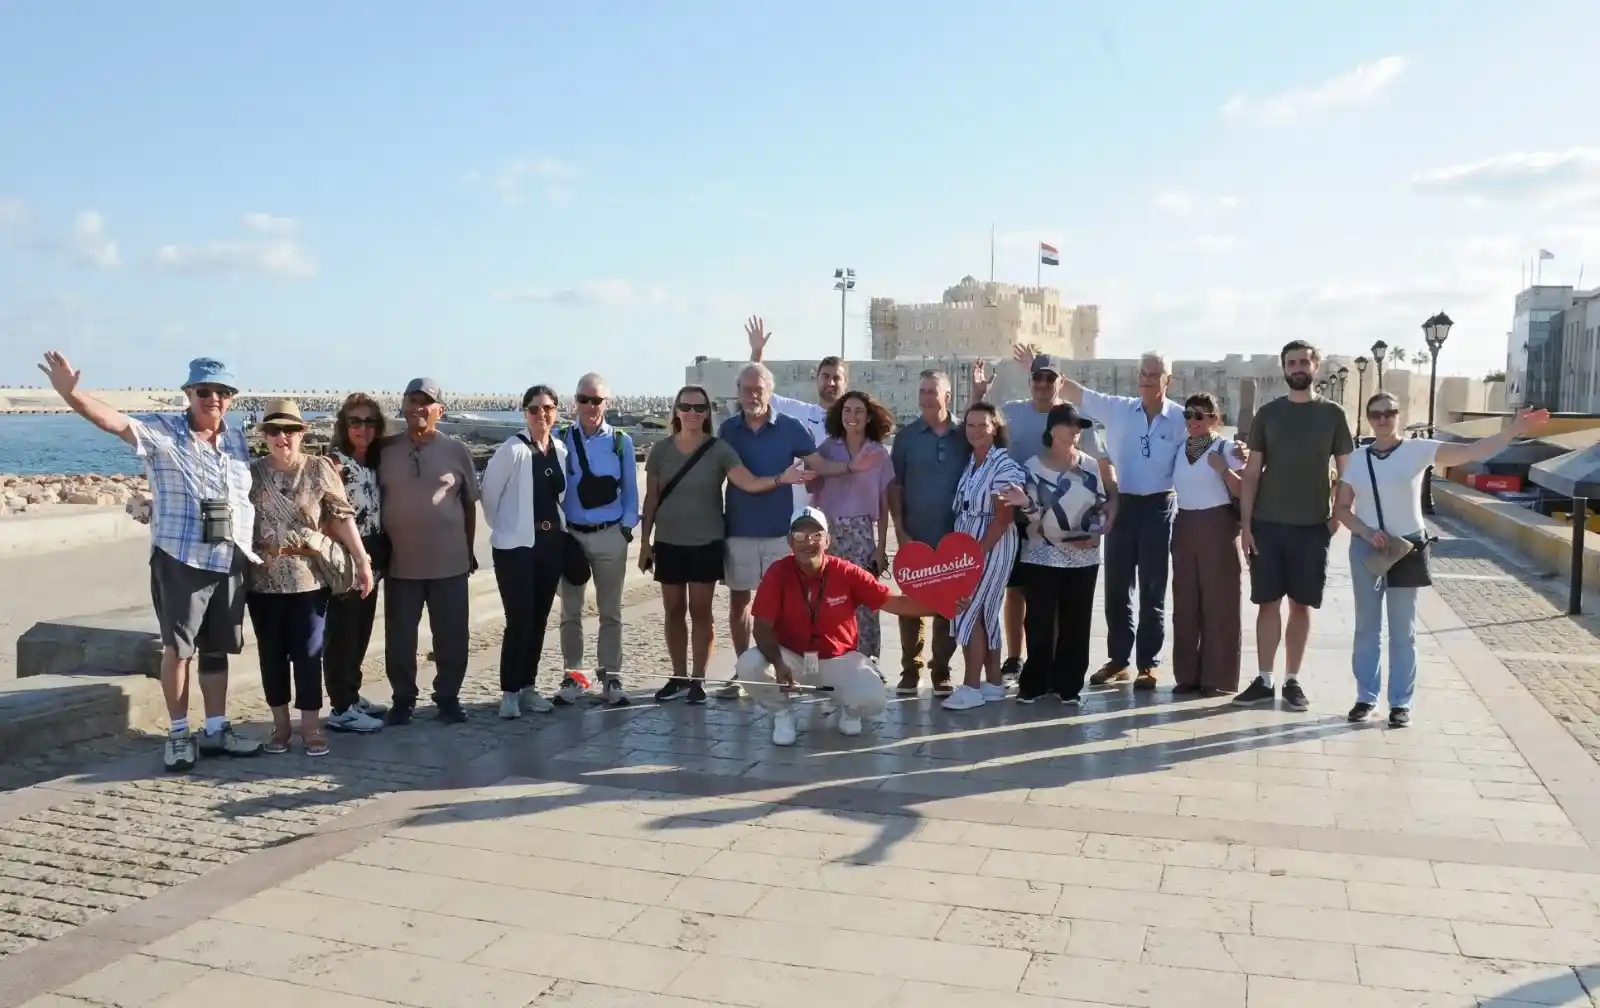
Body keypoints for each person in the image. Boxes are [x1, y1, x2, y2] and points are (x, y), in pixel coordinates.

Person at [37, 352, 265, 772]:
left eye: (222, 392)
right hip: (181, 556)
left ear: (231, 399)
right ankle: (179, 734)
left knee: (217, 649)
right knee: (178, 650)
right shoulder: (164, 432)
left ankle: (215, 728)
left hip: (229, 556)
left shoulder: (235, 439)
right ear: (189, 394)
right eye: (204, 391)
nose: (213, 398)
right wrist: (71, 394)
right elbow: (116, 423)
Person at [1336, 396, 1549, 726]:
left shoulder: (1418, 451)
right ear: (1368, 418)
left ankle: (1400, 703)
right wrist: (1365, 531)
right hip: (1368, 549)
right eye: (1375, 414)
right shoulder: (1357, 460)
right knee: (1366, 626)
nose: (1382, 419)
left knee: (1403, 629)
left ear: (1399, 416)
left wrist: (1515, 429)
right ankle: (1366, 697)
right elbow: (1341, 509)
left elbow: (1470, 453)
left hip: (1409, 547)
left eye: (1389, 413)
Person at [640, 384, 812, 703]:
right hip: (668, 541)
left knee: (701, 610)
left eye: (700, 408)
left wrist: (780, 479)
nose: (693, 413)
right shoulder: (661, 450)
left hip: (707, 540)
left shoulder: (718, 449)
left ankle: (698, 680)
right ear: (676, 411)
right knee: (674, 610)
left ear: (708, 413)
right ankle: (677, 677)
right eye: (686, 407)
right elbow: (651, 500)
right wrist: (644, 544)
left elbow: (746, 481)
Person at [715, 362, 868, 699]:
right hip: (739, 527)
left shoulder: (790, 426)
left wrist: (849, 467)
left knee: (790, 606)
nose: (753, 395)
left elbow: (818, 464)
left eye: (759, 389)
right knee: (739, 602)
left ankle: (790, 670)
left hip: (779, 531)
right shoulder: (727, 430)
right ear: (738, 393)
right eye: (746, 389)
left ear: (770, 392)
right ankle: (744, 671)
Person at [739, 507, 947, 746]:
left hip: (836, 658)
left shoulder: (846, 572)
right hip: (791, 657)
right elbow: (762, 627)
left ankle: (849, 709)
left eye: (817, 535)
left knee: (873, 698)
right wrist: (777, 663)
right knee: (749, 665)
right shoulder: (777, 572)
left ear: (828, 540)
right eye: (800, 536)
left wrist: (944, 607)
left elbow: (896, 603)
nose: (808, 542)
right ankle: (782, 713)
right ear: (789, 541)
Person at [971, 350, 1112, 684]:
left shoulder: (1076, 420)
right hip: (1017, 516)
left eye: (1051, 378)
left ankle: (1054, 661)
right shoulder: (1013, 412)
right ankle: (1016, 659)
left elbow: (1101, 468)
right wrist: (978, 396)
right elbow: (977, 434)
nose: (1043, 384)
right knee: (1017, 590)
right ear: (1030, 380)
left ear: (1061, 382)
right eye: (1038, 377)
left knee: (1057, 594)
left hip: (1062, 525)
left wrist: (1110, 510)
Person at [246, 400, 374, 756]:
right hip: (263, 579)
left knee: (308, 653)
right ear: (264, 435)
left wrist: (362, 561)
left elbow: (342, 516)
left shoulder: (319, 469)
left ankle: (310, 728)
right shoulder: (250, 472)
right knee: (271, 656)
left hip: (309, 580)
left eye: (289, 430)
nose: (281, 437)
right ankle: (281, 727)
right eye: (273, 430)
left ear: (302, 433)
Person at [1234, 341, 1354, 711]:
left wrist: (1336, 517)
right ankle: (1264, 679)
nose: (1298, 367)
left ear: (1315, 366)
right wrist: (1247, 526)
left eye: (1304, 361)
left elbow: (1348, 472)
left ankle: (1292, 680)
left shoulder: (1332, 415)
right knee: (1267, 604)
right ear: (1284, 368)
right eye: (1292, 362)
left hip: (1311, 527)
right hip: (1267, 525)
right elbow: (1252, 473)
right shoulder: (1268, 415)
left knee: (1302, 606)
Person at [378, 377, 480, 725]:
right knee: (400, 638)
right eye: (412, 400)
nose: (418, 408)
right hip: (400, 563)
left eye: (426, 402)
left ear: (440, 410)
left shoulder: (456, 450)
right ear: (403, 404)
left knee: (452, 635)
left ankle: (448, 697)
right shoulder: (386, 449)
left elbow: (469, 506)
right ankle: (403, 698)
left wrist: (469, 550)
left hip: (449, 562)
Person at [999, 403, 1109, 705]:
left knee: (1076, 624)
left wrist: (1096, 533)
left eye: (1078, 427)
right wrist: (1026, 505)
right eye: (1070, 425)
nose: (1076, 431)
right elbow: (1034, 516)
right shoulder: (1032, 468)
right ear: (1052, 429)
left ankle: (1069, 686)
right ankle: (1034, 685)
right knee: (1039, 623)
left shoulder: (1088, 465)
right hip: (1041, 557)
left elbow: (1101, 505)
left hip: (1083, 560)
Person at [481, 385, 569, 719]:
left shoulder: (560, 450)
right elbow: (489, 495)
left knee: (540, 618)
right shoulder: (511, 450)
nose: (541, 415)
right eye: (534, 409)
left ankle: (529, 686)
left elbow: (561, 495)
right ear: (525, 413)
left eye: (547, 408)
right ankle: (509, 691)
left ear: (556, 411)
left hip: (550, 544)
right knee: (518, 620)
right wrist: (506, 527)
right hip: (515, 547)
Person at [551, 373, 639, 707]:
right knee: (570, 612)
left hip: (609, 536)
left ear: (607, 403)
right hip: (572, 537)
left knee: (610, 611)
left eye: (596, 400)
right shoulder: (560, 439)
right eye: (584, 399)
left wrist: (625, 530)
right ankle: (573, 676)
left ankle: (611, 676)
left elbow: (631, 491)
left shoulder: (621, 441)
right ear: (575, 401)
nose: (590, 406)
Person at [887, 370, 971, 696]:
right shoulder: (907, 437)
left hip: (954, 538)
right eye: (921, 391)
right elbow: (896, 487)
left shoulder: (964, 433)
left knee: (947, 606)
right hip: (915, 536)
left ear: (947, 396)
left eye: (932, 392)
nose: (925, 398)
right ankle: (911, 669)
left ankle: (942, 670)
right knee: (911, 603)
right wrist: (900, 530)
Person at [942, 403, 1028, 711]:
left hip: (990, 544)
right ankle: (992, 682)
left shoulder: (1002, 465)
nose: (976, 431)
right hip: (970, 543)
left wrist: (977, 553)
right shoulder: (972, 462)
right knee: (983, 613)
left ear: (995, 428)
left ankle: (971, 687)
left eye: (983, 425)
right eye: (971, 425)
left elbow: (1003, 518)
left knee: (966, 609)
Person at [809, 390, 896, 665]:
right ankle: (831, 661)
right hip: (828, 532)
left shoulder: (879, 454)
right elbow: (812, 484)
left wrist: (881, 550)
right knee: (827, 600)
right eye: (847, 410)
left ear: (869, 416)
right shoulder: (827, 448)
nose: (852, 416)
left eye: (858, 411)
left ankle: (866, 662)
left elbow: (884, 508)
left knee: (865, 602)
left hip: (861, 532)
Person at [322, 393, 391, 733]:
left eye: (369, 421)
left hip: (373, 557)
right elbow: (328, 514)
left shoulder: (376, 462)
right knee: (342, 633)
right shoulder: (334, 464)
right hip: (345, 560)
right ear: (344, 426)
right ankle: (340, 706)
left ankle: (353, 693)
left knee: (362, 630)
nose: (362, 428)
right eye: (355, 422)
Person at [1169, 393, 1245, 697]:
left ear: (1216, 418)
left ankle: (1218, 677)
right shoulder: (1178, 448)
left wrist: (1224, 469)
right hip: (1185, 523)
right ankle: (1187, 675)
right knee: (1185, 603)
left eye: (1201, 415)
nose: (1193, 421)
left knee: (1219, 602)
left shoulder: (1226, 448)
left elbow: (1245, 485)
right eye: (1188, 415)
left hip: (1218, 526)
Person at [744, 315, 846, 509]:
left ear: (845, 383)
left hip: (838, 516)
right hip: (799, 516)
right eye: (825, 376)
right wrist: (757, 352)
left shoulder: (852, 422)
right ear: (816, 379)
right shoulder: (798, 412)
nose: (831, 382)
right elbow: (761, 390)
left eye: (837, 378)